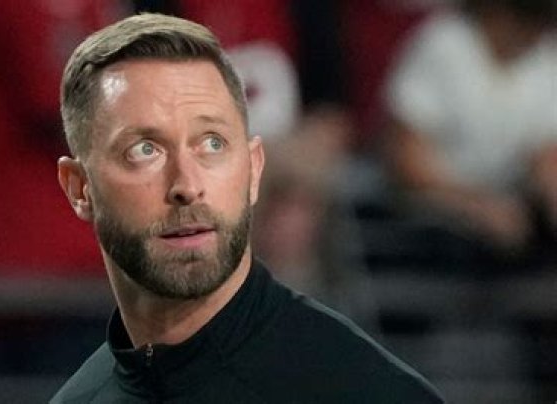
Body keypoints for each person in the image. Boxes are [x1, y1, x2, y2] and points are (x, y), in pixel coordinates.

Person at [52, 13, 444, 403]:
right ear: (79, 188)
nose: (187, 186)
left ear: (254, 169)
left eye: (212, 143)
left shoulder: (370, 393)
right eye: (144, 150)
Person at [384, 0, 557, 268]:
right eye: (530, 18)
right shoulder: (442, 44)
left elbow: (545, 152)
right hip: (427, 219)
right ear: (499, 11)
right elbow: (408, 161)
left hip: (509, 219)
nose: (538, 32)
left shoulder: (545, 57)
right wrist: (476, 205)